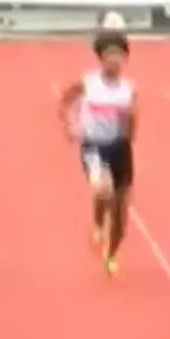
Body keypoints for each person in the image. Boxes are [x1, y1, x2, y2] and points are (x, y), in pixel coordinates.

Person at [58, 31, 137, 276]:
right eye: (109, 55)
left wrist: (131, 124)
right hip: (93, 146)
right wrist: (69, 125)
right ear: (101, 58)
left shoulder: (129, 90)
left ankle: (111, 254)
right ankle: (97, 223)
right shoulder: (89, 83)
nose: (114, 60)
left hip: (119, 148)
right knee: (103, 188)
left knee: (121, 215)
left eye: (119, 56)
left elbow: (132, 129)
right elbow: (65, 101)